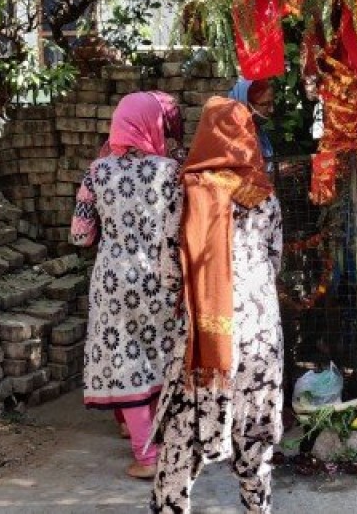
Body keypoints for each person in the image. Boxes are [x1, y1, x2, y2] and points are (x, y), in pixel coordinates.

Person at [150, 96, 284, 513]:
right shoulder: (262, 193)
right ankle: (257, 507)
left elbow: (168, 266)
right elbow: (273, 258)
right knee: (255, 433)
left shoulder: (184, 192)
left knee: (183, 435)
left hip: (204, 332)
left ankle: (171, 507)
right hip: (260, 332)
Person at [71, 91, 185, 480]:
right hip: (162, 277)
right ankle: (172, 440)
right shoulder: (170, 171)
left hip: (113, 280)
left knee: (126, 359)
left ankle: (146, 455)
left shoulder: (97, 172)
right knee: (164, 355)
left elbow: (80, 235)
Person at [228, 78, 276, 160]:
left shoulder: (259, 133)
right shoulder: (232, 138)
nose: (272, 110)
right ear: (245, 103)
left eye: (272, 103)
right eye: (265, 104)